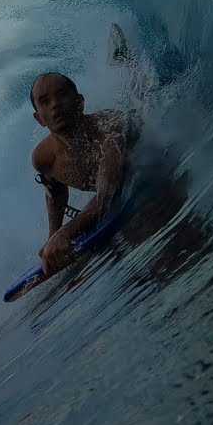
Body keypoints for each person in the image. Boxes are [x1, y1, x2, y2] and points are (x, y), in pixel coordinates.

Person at [28, 72, 136, 277]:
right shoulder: (43, 158)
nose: (55, 105)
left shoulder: (110, 128)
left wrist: (66, 233)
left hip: (154, 179)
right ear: (39, 118)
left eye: (61, 94)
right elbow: (55, 190)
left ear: (80, 102)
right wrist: (53, 236)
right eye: (44, 101)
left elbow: (106, 195)